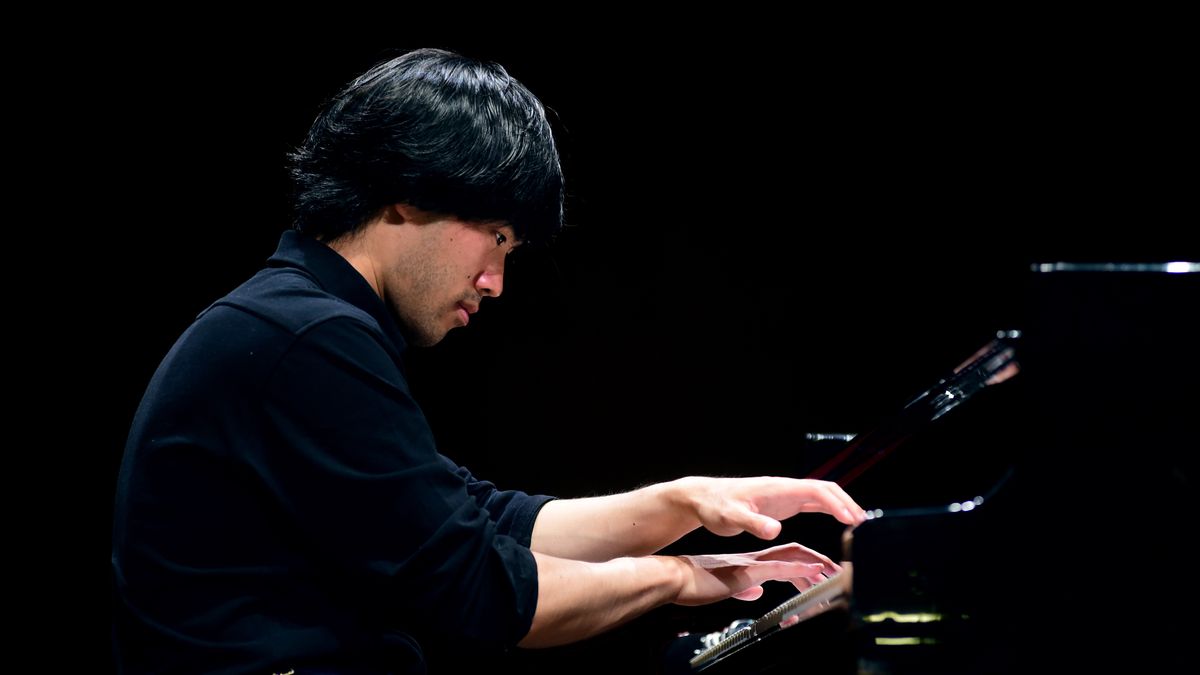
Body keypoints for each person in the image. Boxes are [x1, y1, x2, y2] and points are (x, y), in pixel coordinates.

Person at [111, 47, 867, 674]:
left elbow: (475, 520)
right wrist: (681, 576)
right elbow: (485, 593)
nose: (496, 281)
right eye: (495, 236)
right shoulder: (305, 338)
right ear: (405, 193)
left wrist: (684, 502)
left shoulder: (296, 320)